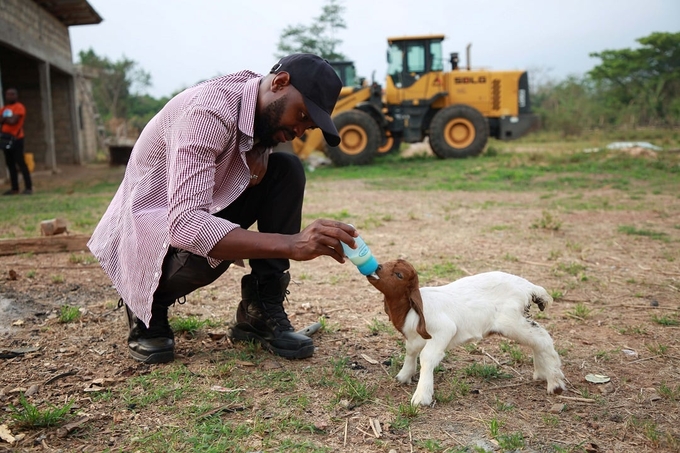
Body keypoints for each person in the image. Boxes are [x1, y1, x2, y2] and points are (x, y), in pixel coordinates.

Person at [88, 53, 358, 364]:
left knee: (287, 169)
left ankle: (260, 309)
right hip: (147, 232)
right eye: (301, 116)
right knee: (208, 253)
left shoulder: (256, 99)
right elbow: (186, 225)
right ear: (281, 83)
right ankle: (148, 303)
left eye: (308, 126)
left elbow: (264, 120)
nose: (300, 131)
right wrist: (292, 244)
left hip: (197, 208)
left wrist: (264, 146)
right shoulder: (207, 113)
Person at [1, 88, 32, 195]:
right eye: (8, 94)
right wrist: (7, 118)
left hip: (17, 139)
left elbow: (13, 121)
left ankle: (28, 187)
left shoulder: (19, 107)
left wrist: (5, 119)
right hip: (5, 138)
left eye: (12, 94)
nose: (10, 96)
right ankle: (14, 188)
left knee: (20, 162)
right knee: (10, 164)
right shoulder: (4, 108)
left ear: (16, 96)